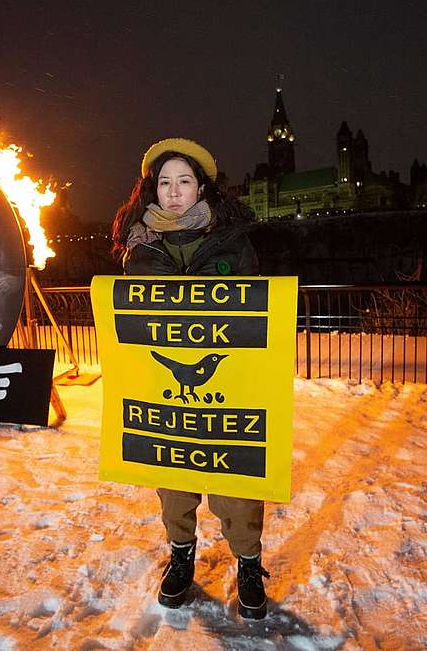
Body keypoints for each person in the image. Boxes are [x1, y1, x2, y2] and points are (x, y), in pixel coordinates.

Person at [111, 137, 270, 619]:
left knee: (234, 478)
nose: (174, 191)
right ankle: (181, 554)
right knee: (173, 476)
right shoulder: (139, 251)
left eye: (184, 181)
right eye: (165, 182)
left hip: (225, 394)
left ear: (201, 188)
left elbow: (253, 318)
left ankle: (248, 560)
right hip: (167, 397)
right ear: (151, 191)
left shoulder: (231, 242)